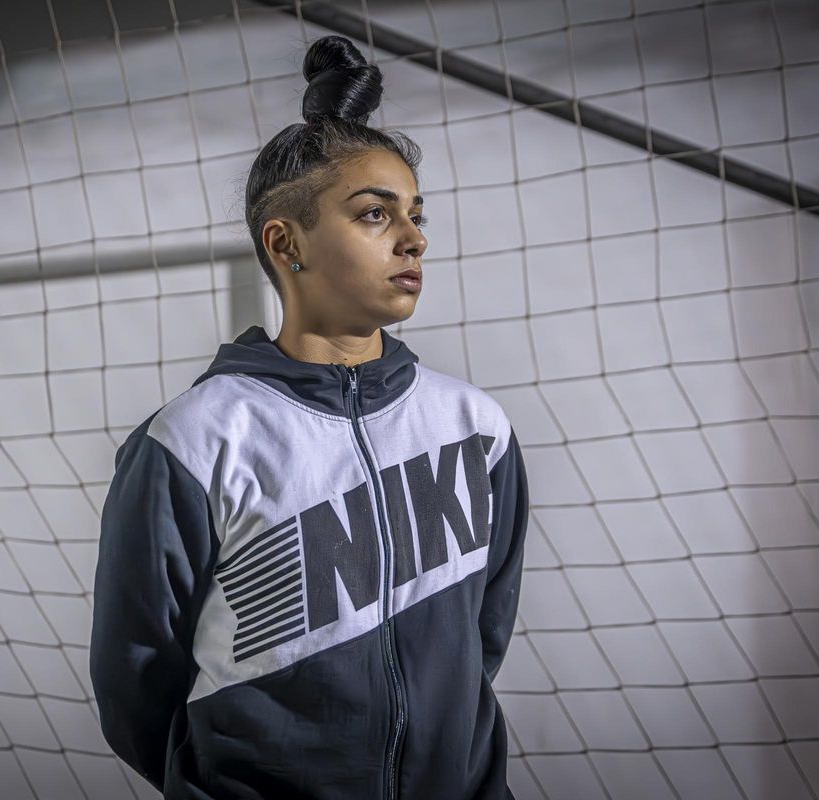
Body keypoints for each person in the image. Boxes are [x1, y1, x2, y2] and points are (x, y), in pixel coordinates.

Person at [90, 33, 530, 800]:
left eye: (416, 214)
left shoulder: (476, 427)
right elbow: (137, 680)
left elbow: (481, 638)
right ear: (285, 243)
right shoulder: (194, 439)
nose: (413, 237)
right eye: (374, 214)